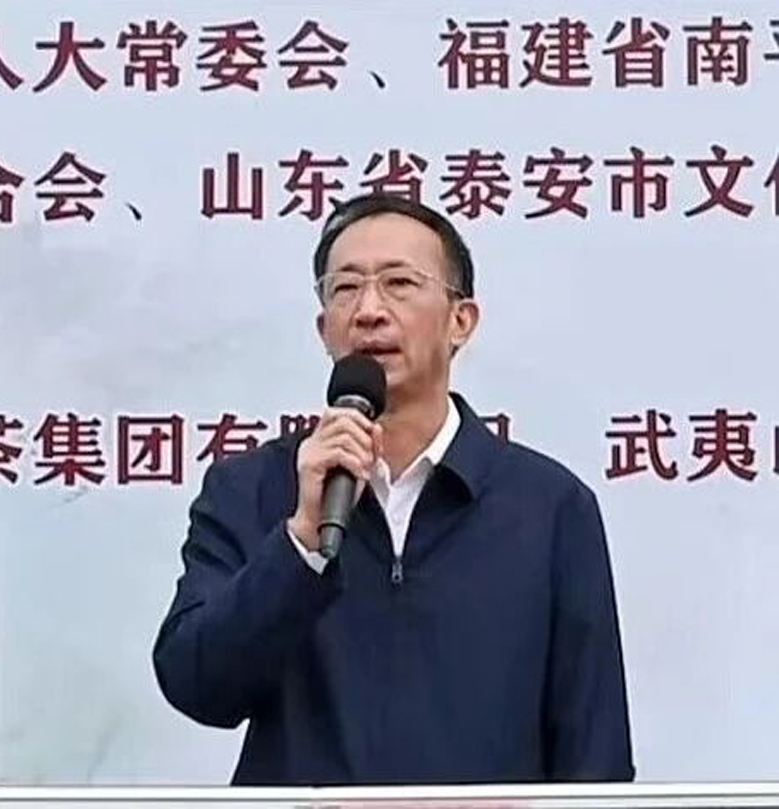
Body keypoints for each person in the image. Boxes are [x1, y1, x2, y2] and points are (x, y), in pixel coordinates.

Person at [153, 193, 635, 785]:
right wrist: (300, 545)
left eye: (400, 283)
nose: (369, 311)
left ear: (461, 321)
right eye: (345, 289)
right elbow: (196, 685)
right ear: (324, 329)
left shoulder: (549, 506)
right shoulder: (252, 488)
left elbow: (595, 752)